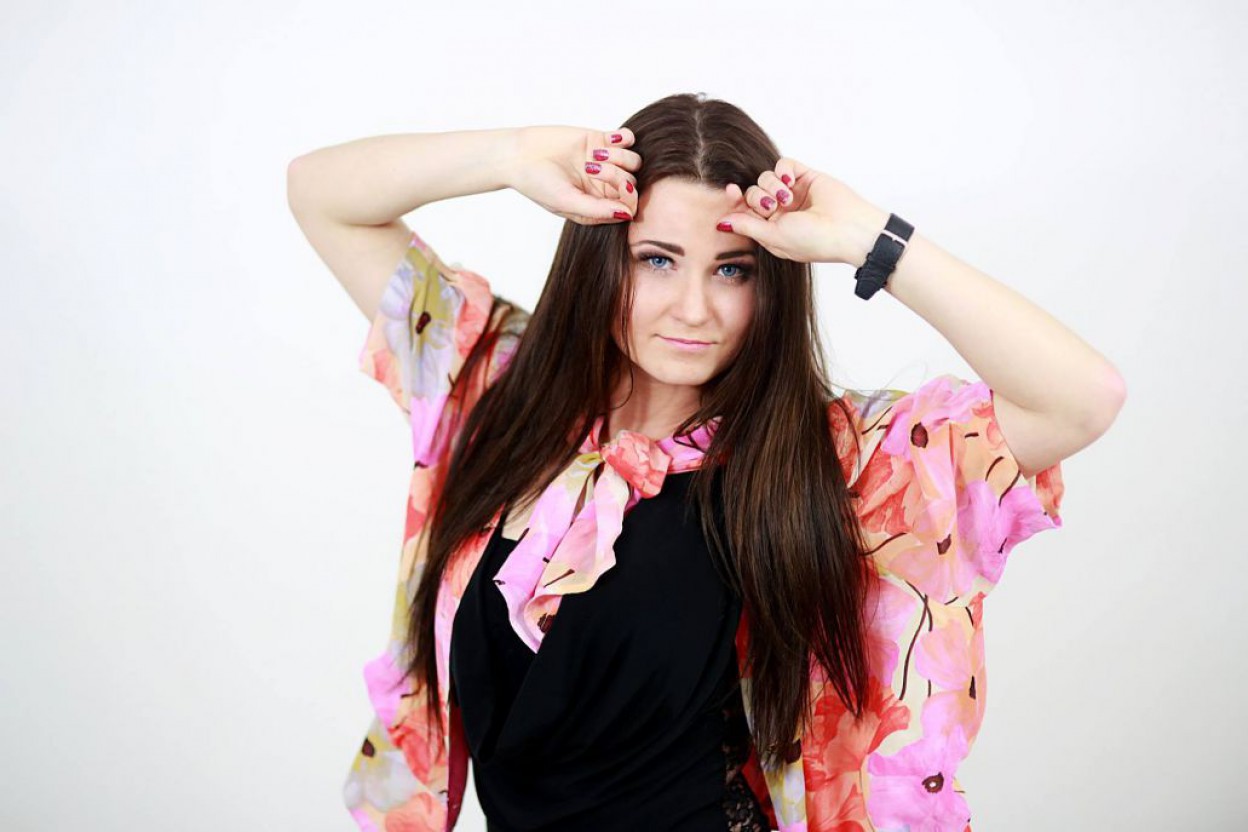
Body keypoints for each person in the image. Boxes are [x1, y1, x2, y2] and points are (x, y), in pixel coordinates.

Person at [287, 92, 1124, 831]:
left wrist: (869, 236)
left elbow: (1080, 398)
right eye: (657, 259)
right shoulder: (491, 389)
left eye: (732, 270)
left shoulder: (827, 463)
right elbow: (320, 194)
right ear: (601, 253)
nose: (694, 309)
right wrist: (515, 155)